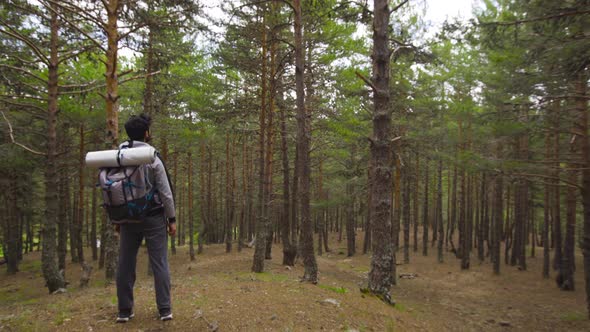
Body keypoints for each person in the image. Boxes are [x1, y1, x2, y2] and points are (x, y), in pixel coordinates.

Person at [115, 114, 176, 323]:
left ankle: (124, 311)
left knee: (125, 263)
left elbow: (113, 191)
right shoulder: (152, 157)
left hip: (126, 218)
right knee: (159, 263)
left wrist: (117, 218)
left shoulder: (118, 156)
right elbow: (165, 192)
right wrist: (172, 218)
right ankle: (165, 309)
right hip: (153, 217)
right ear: (146, 133)